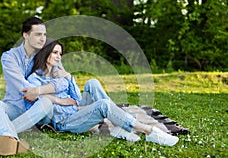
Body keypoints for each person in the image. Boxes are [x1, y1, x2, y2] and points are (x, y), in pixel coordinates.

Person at [25, 40, 179, 146]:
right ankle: (149, 131)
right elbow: (35, 99)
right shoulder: (35, 78)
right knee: (103, 105)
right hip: (64, 120)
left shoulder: (59, 73)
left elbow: (75, 98)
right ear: (45, 54)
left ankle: (118, 124)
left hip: (74, 109)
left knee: (92, 82)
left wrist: (69, 77)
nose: (59, 57)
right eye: (55, 53)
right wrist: (58, 100)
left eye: (60, 53)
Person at [0, 17, 64, 156]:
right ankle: (11, 140)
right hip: (16, 105)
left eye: (44, 34)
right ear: (25, 35)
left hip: (39, 108)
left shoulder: (48, 54)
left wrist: (39, 90)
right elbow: (22, 86)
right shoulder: (9, 57)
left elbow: (61, 82)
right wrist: (44, 89)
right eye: (38, 34)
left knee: (46, 103)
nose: (43, 39)